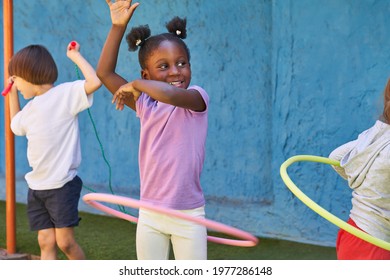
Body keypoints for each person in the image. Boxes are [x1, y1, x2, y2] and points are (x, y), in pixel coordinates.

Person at [97, 0, 209, 260]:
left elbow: (169, 94)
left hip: (188, 215)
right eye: (163, 66)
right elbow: (104, 72)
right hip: (149, 214)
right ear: (146, 74)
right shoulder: (145, 104)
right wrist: (117, 27)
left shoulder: (196, 98)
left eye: (182, 63)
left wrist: (135, 84)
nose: (175, 71)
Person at [7, 42, 102, 260]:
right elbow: (15, 125)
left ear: (29, 75)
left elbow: (95, 81)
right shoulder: (30, 108)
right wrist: (12, 93)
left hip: (61, 185)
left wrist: (75, 56)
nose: (17, 85)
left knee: (65, 242)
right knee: (45, 241)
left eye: (17, 79)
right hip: (37, 186)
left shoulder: (64, 94)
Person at [329, 79, 390, 260]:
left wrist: (365, 185)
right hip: (377, 247)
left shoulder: (376, 134)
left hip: (353, 233)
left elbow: (336, 157)